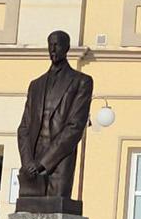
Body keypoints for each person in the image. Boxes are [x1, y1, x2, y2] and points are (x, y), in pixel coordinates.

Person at [15, 30, 95, 209]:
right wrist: (28, 162)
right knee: (27, 211)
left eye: (57, 44)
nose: (52, 49)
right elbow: (24, 128)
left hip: (59, 161)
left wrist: (42, 163)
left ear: (66, 47)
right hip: (32, 163)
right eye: (50, 44)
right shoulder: (36, 85)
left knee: (56, 209)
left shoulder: (81, 81)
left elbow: (74, 127)